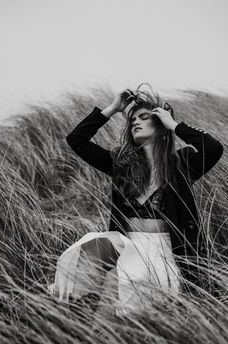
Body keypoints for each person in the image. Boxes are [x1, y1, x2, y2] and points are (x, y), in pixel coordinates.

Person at [48, 83, 224, 316]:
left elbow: (213, 148)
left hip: (164, 253)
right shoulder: (121, 166)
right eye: (132, 121)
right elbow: (76, 140)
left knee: (114, 284)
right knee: (93, 252)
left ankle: (94, 334)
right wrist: (112, 108)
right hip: (126, 244)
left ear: (160, 124)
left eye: (143, 117)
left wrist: (174, 125)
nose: (135, 123)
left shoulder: (182, 165)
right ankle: (71, 313)